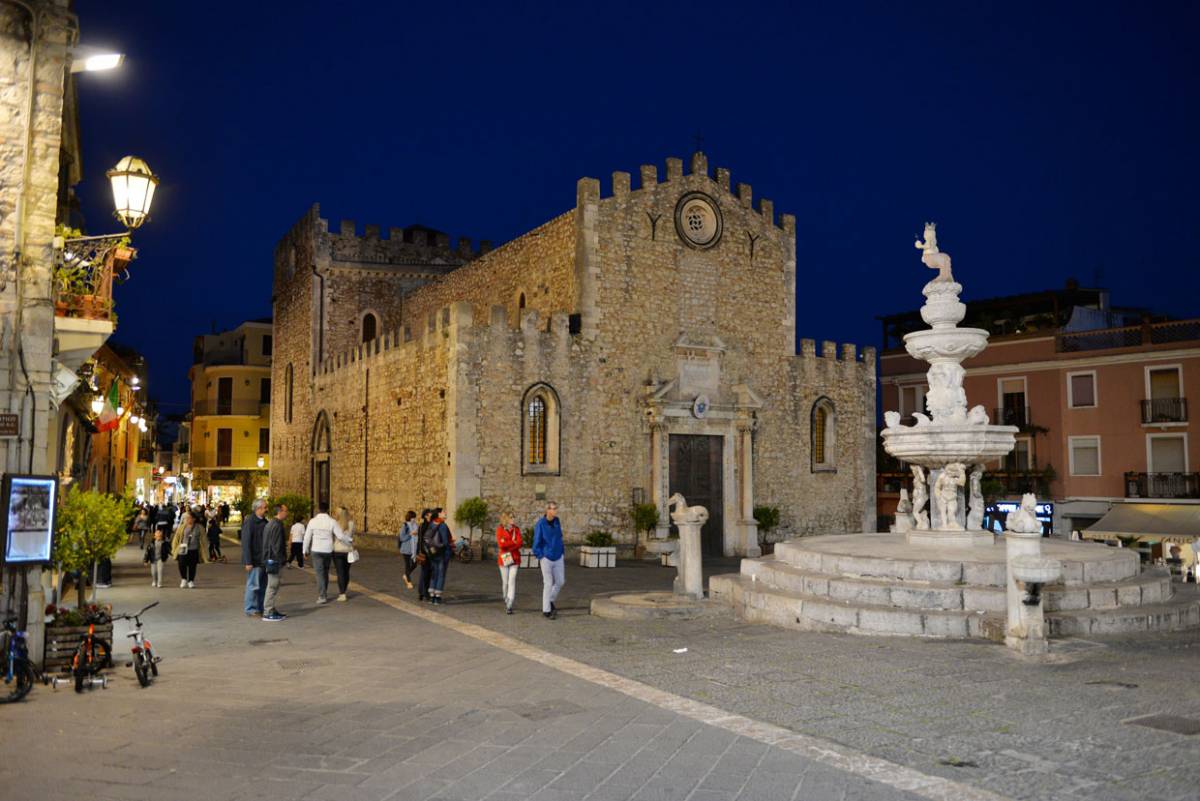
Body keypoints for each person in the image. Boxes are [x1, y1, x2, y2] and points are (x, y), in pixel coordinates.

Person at [303, 502, 346, 605]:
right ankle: (324, 592)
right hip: (327, 550)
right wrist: (349, 540)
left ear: (318, 509)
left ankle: (322, 596)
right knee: (325, 572)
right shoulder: (332, 522)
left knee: (319, 573)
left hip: (316, 549)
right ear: (328, 509)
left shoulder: (312, 521)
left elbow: (307, 537)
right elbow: (340, 536)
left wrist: (305, 550)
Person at [532, 501, 565, 619]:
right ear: (547, 510)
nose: (555, 510)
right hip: (546, 557)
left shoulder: (557, 521)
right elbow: (536, 541)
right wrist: (540, 555)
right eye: (553, 508)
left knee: (560, 581)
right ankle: (546, 610)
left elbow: (559, 536)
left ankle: (550, 600)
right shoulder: (540, 524)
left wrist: (562, 551)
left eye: (556, 508)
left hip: (558, 556)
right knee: (548, 583)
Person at [240, 499, 269, 616]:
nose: (266, 509)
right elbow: (246, 543)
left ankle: (259, 607)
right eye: (265, 507)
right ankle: (250, 609)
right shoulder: (250, 522)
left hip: (263, 560)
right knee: (253, 585)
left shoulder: (264, 521)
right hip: (255, 560)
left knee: (262, 586)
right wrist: (248, 561)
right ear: (258, 508)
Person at [261, 504, 289, 622]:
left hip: (270, 558)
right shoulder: (277, 525)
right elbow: (276, 546)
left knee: (273, 585)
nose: (287, 513)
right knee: (272, 586)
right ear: (280, 511)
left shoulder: (270, 523)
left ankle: (270, 609)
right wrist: (281, 560)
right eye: (286, 511)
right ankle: (268, 611)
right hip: (274, 560)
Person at [170, 509, 206, 588]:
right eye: (186, 518)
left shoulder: (199, 527)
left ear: (194, 519)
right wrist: (174, 548)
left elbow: (203, 540)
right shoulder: (182, 527)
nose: (187, 519)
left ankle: (191, 581)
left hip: (194, 549)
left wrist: (205, 552)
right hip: (183, 548)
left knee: (192, 566)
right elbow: (176, 538)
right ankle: (184, 579)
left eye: (189, 518)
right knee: (181, 564)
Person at [495, 512, 523, 614]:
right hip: (504, 558)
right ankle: (505, 597)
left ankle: (510, 603)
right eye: (511, 517)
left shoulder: (517, 529)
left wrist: (509, 544)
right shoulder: (500, 529)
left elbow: (520, 542)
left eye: (514, 517)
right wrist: (513, 542)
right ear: (506, 519)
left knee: (512, 580)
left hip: (515, 558)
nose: (513, 519)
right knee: (505, 582)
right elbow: (501, 545)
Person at [425, 508, 451, 605]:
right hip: (442, 553)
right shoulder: (443, 525)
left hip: (433, 552)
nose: (446, 513)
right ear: (439, 514)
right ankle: (437, 597)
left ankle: (432, 595)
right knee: (441, 574)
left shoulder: (432, 523)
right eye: (444, 512)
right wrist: (450, 547)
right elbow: (445, 542)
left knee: (434, 573)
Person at [332, 506, 356, 601]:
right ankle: (344, 590)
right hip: (348, 550)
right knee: (346, 572)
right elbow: (353, 535)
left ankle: (342, 593)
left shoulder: (335, 524)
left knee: (340, 572)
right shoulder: (351, 524)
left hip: (337, 550)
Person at [416, 509, 434, 602]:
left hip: (423, 552)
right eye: (430, 513)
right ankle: (425, 593)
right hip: (427, 553)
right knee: (427, 573)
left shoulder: (421, 526)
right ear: (426, 516)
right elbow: (424, 541)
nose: (432, 515)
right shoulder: (428, 526)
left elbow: (419, 541)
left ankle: (421, 593)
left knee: (424, 573)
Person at [398, 510, 418, 589]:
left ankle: (406, 575)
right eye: (413, 517)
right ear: (409, 517)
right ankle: (409, 582)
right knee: (407, 565)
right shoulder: (405, 525)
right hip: (406, 549)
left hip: (414, 549)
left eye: (414, 518)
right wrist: (410, 534)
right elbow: (402, 538)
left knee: (415, 564)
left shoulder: (416, 525)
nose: (414, 519)